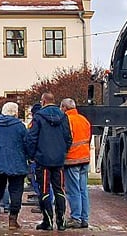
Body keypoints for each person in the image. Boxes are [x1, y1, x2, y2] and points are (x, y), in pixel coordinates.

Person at [26, 92, 72, 231]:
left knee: (44, 190)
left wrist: (32, 155)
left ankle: (48, 221)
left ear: (43, 101)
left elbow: (32, 138)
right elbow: (68, 137)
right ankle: (61, 221)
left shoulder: (38, 117)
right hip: (59, 161)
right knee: (59, 190)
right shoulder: (63, 116)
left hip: (43, 159)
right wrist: (63, 152)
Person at [0, 102, 28, 230]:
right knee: (16, 192)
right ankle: (13, 220)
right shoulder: (20, 127)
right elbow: (27, 144)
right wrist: (27, 158)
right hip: (17, 164)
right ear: (15, 112)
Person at [61, 98, 91, 229]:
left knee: (73, 190)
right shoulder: (83, 120)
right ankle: (84, 218)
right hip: (85, 158)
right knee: (83, 189)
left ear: (64, 108)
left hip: (72, 159)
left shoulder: (66, 120)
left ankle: (75, 218)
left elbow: (65, 140)